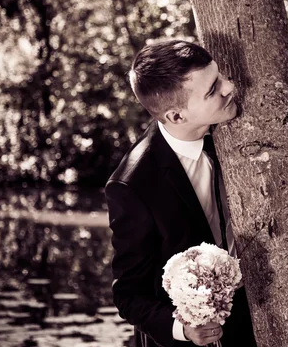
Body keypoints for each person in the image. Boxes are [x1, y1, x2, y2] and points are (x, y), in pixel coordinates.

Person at [106, 40, 257, 347]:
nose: (229, 87)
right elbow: (129, 295)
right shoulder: (133, 186)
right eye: (213, 89)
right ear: (176, 116)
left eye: (220, 76)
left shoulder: (228, 128)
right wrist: (182, 329)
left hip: (251, 323)